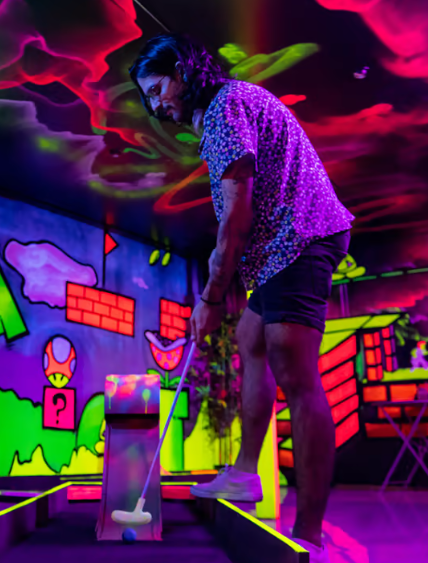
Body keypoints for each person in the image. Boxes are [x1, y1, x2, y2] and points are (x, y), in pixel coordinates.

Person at [130, 34, 354, 563]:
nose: (156, 105)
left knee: (296, 373)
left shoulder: (224, 110)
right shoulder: (226, 107)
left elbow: (236, 217)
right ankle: (247, 474)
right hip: (281, 246)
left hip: (301, 236)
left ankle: (310, 534)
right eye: (148, 97)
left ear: (184, 71)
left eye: (158, 89)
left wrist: (211, 297)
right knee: (251, 336)